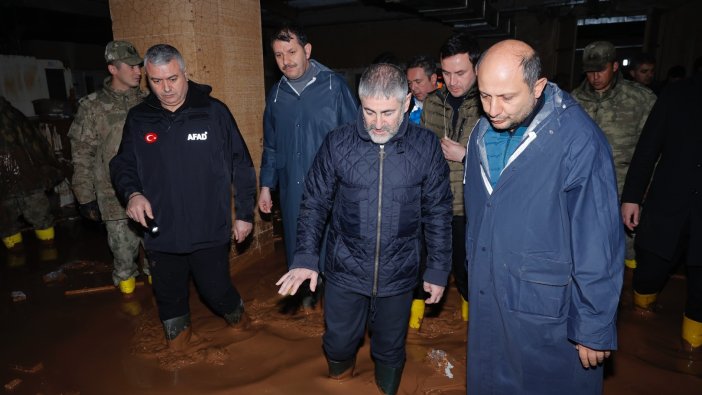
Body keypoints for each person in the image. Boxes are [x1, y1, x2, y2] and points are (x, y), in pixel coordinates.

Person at [275, 63, 452, 395]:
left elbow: (438, 211)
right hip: (345, 269)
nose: (378, 122)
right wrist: (306, 256)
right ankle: (340, 377)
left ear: (406, 103)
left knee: (389, 347)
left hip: (399, 273)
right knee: (339, 343)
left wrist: (439, 268)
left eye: (387, 112)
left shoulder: (425, 147)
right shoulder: (338, 143)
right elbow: (314, 203)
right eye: (369, 112)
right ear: (360, 103)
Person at [464, 39, 623, 394]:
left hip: (547, 311)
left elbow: (597, 241)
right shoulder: (480, 134)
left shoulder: (578, 141)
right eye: (485, 95)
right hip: (492, 298)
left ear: (538, 86)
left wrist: (594, 328)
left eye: (506, 97)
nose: (492, 108)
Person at [110, 44, 256, 348]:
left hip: (209, 228)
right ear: (148, 79)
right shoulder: (139, 119)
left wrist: (244, 214)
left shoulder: (213, 112)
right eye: (157, 81)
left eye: (172, 79)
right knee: (169, 299)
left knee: (216, 291)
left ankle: (243, 322)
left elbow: (241, 164)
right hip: (160, 230)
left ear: (185, 73)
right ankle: (178, 345)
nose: (166, 89)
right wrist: (133, 193)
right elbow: (122, 164)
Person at [258, 23, 357, 310]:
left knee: (337, 251)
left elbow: (354, 140)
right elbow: (272, 146)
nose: (286, 60)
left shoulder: (333, 86)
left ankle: (339, 306)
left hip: (334, 191)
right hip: (292, 192)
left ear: (307, 50)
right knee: (300, 250)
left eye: (291, 51)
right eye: (278, 55)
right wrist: (266, 186)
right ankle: (308, 306)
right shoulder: (276, 96)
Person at [621, 66, 702, 352]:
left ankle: (691, 347)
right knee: (648, 274)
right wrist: (631, 197)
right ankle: (641, 319)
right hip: (667, 205)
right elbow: (647, 148)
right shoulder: (678, 94)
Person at [69, 40, 149, 295]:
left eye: (139, 66)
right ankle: (129, 316)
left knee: (158, 258)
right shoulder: (92, 107)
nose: (138, 71)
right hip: (113, 196)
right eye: (131, 66)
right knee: (124, 259)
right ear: (113, 69)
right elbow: (82, 153)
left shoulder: (149, 102)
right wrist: (85, 197)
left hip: (151, 192)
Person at [571, 41, 656, 270]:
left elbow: (655, 149)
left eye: (601, 69)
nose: (595, 76)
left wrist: (645, 188)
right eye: (589, 71)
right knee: (585, 252)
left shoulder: (641, 100)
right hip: (584, 191)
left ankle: (630, 297)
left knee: (629, 252)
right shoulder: (572, 102)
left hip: (624, 191)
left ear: (615, 66)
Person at [417, 31, 481, 327]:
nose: (453, 81)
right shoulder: (432, 102)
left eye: (460, 73)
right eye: (446, 73)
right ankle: (413, 325)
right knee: (422, 263)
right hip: (435, 202)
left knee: (468, 270)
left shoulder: (488, 103)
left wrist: (467, 156)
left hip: (472, 206)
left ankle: (471, 330)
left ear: (477, 69)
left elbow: (509, 162)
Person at [1, 96, 63, 253]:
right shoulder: (16, 115)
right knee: (8, 222)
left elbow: (36, 144)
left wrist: (47, 170)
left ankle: (48, 253)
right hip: (22, 183)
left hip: (29, 180)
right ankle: (22, 257)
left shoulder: (15, 116)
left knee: (37, 216)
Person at [406, 55, 438, 125]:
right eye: (409, 83)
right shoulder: (405, 107)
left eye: (418, 82)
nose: (413, 88)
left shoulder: (448, 106)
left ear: (433, 79)